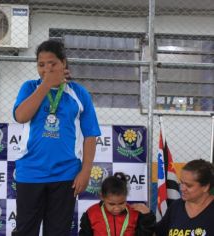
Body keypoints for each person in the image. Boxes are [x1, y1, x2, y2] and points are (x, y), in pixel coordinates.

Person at [12, 39, 101, 236]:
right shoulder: (29, 87)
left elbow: (90, 135)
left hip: (66, 175)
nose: (47, 69)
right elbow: (21, 116)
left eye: (52, 63)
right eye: (41, 65)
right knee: (25, 231)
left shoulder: (79, 93)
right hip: (31, 172)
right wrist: (46, 85)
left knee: (58, 232)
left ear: (64, 63)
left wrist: (85, 172)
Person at [79, 172, 156, 236]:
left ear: (126, 197)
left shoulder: (134, 213)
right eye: (111, 204)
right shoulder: (91, 213)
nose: (117, 208)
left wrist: (147, 217)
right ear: (102, 197)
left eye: (121, 203)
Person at [155, 159, 214, 236]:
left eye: (189, 185)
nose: (182, 188)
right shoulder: (176, 207)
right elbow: (160, 232)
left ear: (205, 187)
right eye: (181, 182)